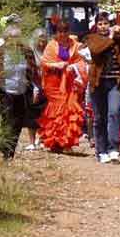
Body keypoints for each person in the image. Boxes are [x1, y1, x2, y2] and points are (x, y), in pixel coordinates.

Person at [82, 12, 120, 163]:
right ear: (96, 26)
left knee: (114, 113)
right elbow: (97, 50)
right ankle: (101, 150)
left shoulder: (119, 38)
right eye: (100, 24)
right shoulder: (91, 38)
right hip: (98, 83)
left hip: (116, 83)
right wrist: (112, 38)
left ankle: (113, 147)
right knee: (99, 117)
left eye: (105, 23)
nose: (103, 27)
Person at [0, 22, 41, 161]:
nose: (14, 41)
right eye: (11, 37)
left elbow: (33, 71)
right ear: (6, 38)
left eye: (17, 37)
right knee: (8, 121)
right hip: (4, 91)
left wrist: (37, 87)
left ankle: (10, 152)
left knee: (18, 123)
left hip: (22, 91)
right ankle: (5, 152)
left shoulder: (26, 51)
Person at [36, 18, 87, 153]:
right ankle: (54, 141)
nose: (63, 34)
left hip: (70, 82)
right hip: (53, 83)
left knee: (69, 110)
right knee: (56, 110)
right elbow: (44, 63)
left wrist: (73, 67)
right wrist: (57, 65)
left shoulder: (75, 45)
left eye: (65, 31)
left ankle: (66, 142)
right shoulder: (51, 45)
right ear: (55, 32)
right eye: (60, 31)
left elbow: (82, 62)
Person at [23, 28, 49, 150]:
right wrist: (34, 87)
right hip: (34, 85)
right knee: (32, 114)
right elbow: (29, 71)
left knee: (45, 114)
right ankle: (32, 141)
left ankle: (42, 138)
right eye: (40, 41)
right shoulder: (30, 51)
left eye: (44, 41)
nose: (42, 43)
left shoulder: (48, 51)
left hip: (48, 86)